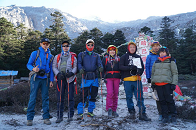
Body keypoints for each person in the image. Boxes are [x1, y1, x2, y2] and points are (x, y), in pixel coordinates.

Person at [119, 41, 151, 121]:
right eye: (131, 47)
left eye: (133, 47)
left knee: (139, 97)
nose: (132, 49)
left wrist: (139, 72)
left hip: (137, 79)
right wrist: (130, 67)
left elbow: (142, 67)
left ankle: (142, 113)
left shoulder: (138, 57)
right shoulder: (124, 57)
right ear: (128, 48)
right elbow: (120, 67)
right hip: (127, 80)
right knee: (129, 97)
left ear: (135, 48)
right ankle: (131, 112)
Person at [26, 38, 54, 126]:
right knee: (32, 97)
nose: (45, 45)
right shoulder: (35, 53)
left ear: (49, 45)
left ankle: (46, 118)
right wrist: (33, 69)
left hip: (45, 78)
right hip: (35, 78)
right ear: (41, 44)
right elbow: (28, 64)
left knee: (45, 98)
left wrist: (51, 80)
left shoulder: (50, 56)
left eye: (47, 43)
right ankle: (29, 119)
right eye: (44, 43)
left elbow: (52, 70)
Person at [77, 39, 103, 119]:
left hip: (94, 78)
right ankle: (80, 113)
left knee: (93, 96)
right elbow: (79, 63)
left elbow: (99, 63)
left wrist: (100, 67)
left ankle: (90, 112)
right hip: (85, 78)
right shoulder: (82, 54)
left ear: (93, 46)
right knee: (83, 96)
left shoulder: (96, 55)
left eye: (92, 45)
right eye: (88, 45)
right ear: (86, 45)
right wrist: (80, 68)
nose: (90, 46)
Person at [151, 47, 178, 124]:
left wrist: (173, 83)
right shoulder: (156, 62)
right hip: (158, 84)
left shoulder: (171, 61)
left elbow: (175, 73)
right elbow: (153, 73)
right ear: (159, 53)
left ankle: (173, 115)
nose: (162, 53)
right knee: (162, 101)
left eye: (164, 52)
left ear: (167, 53)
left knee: (169, 100)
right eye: (161, 52)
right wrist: (153, 83)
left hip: (167, 84)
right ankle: (165, 116)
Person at [52, 41, 77, 123]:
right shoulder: (57, 56)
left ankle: (70, 116)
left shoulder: (73, 57)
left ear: (69, 47)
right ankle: (59, 116)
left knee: (70, 98)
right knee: (60, 98)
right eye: (64, 46)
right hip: (60, 79)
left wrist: (72, 73)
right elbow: (54, 66)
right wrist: (58, 74)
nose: (65, 47)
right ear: (61, 47)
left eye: (67, 46)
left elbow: (75, 67)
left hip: (70, 79)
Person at [102, 45, 121, 118]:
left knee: (115, 94)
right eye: (110, 50)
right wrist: (104, 77)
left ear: (115, 51)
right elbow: (102, 68)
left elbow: (121, 68)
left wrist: (121, 78)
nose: (112, 51)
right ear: (108, 51)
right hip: (109, 77)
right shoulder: (105, 58)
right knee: (110, 93)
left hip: (117, 77)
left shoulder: (118, 58)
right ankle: (109, 109)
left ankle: (114, 110)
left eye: (113, 50)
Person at [145, 41, 162, 120]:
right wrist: (148, 78)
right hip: (154, 79)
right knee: (157, 96)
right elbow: (147, 67)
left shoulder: (163, 54)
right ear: (152, 47)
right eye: (154, 46)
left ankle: (168, 112)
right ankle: (160, 113)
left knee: (165, 95)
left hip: (164, 78)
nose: (156, 47)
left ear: (159, 46)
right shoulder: (149, 56)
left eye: (157, 46)